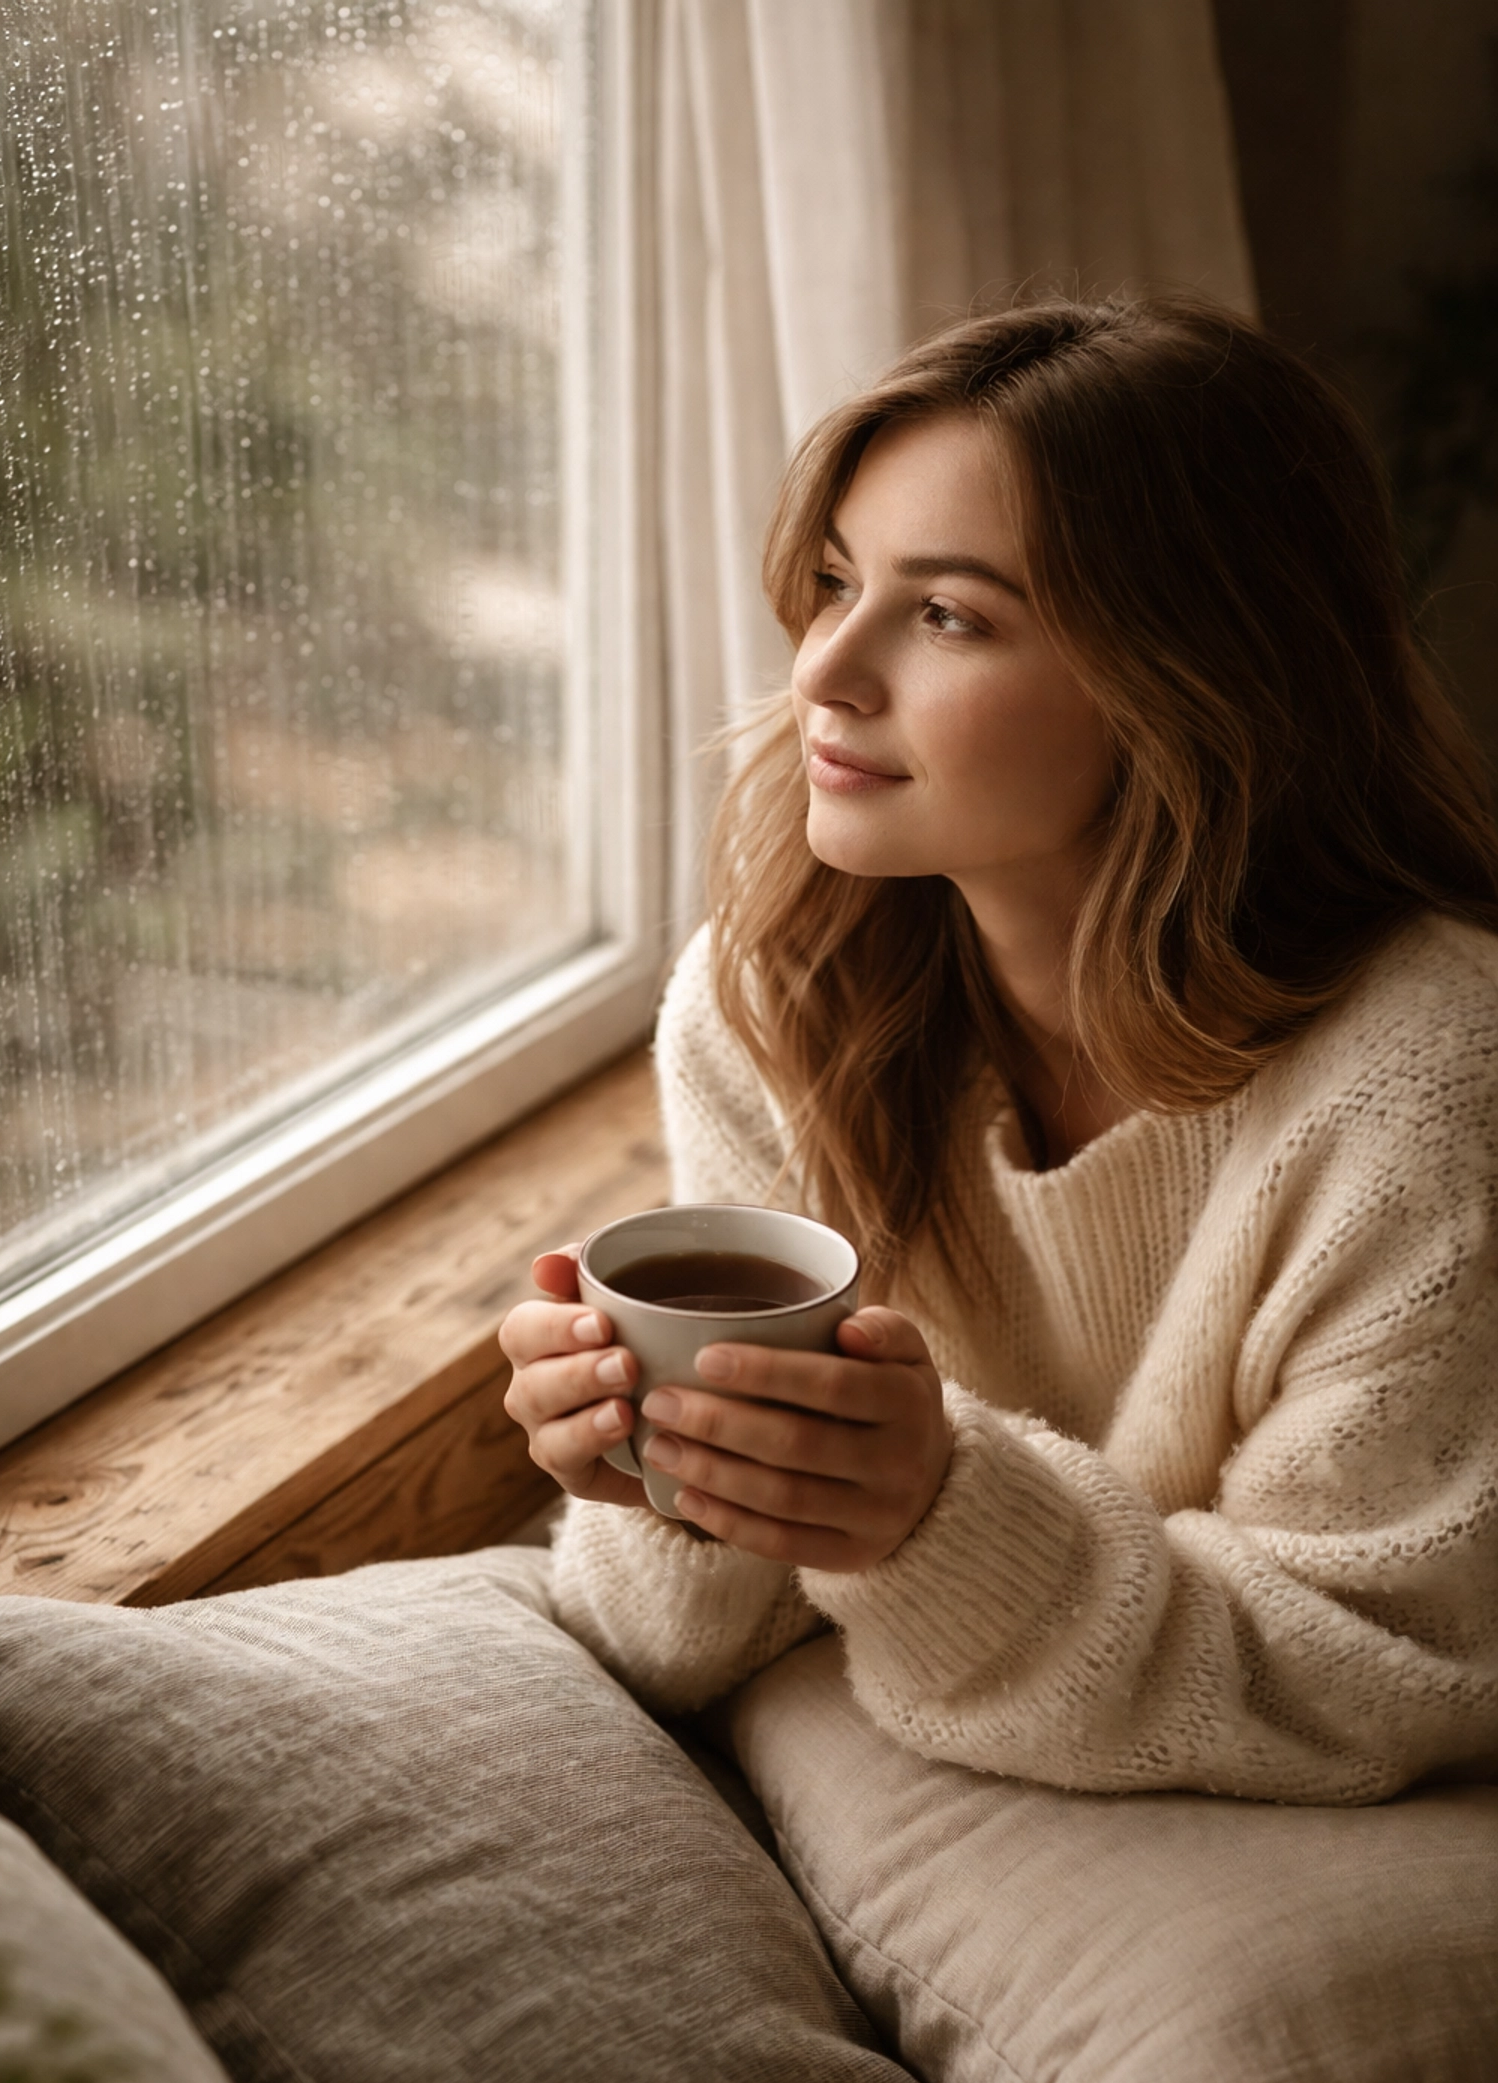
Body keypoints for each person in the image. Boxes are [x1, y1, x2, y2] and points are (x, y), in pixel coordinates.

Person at [499, 295, 1498, 1805]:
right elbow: (673, 1647)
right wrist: (675, 1477)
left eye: (949, 613)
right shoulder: (779, 995)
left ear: (1192, 678)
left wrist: (931, 1515)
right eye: (836, 579)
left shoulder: (1433, 1082)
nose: (826, 668)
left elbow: (1378, 1660)